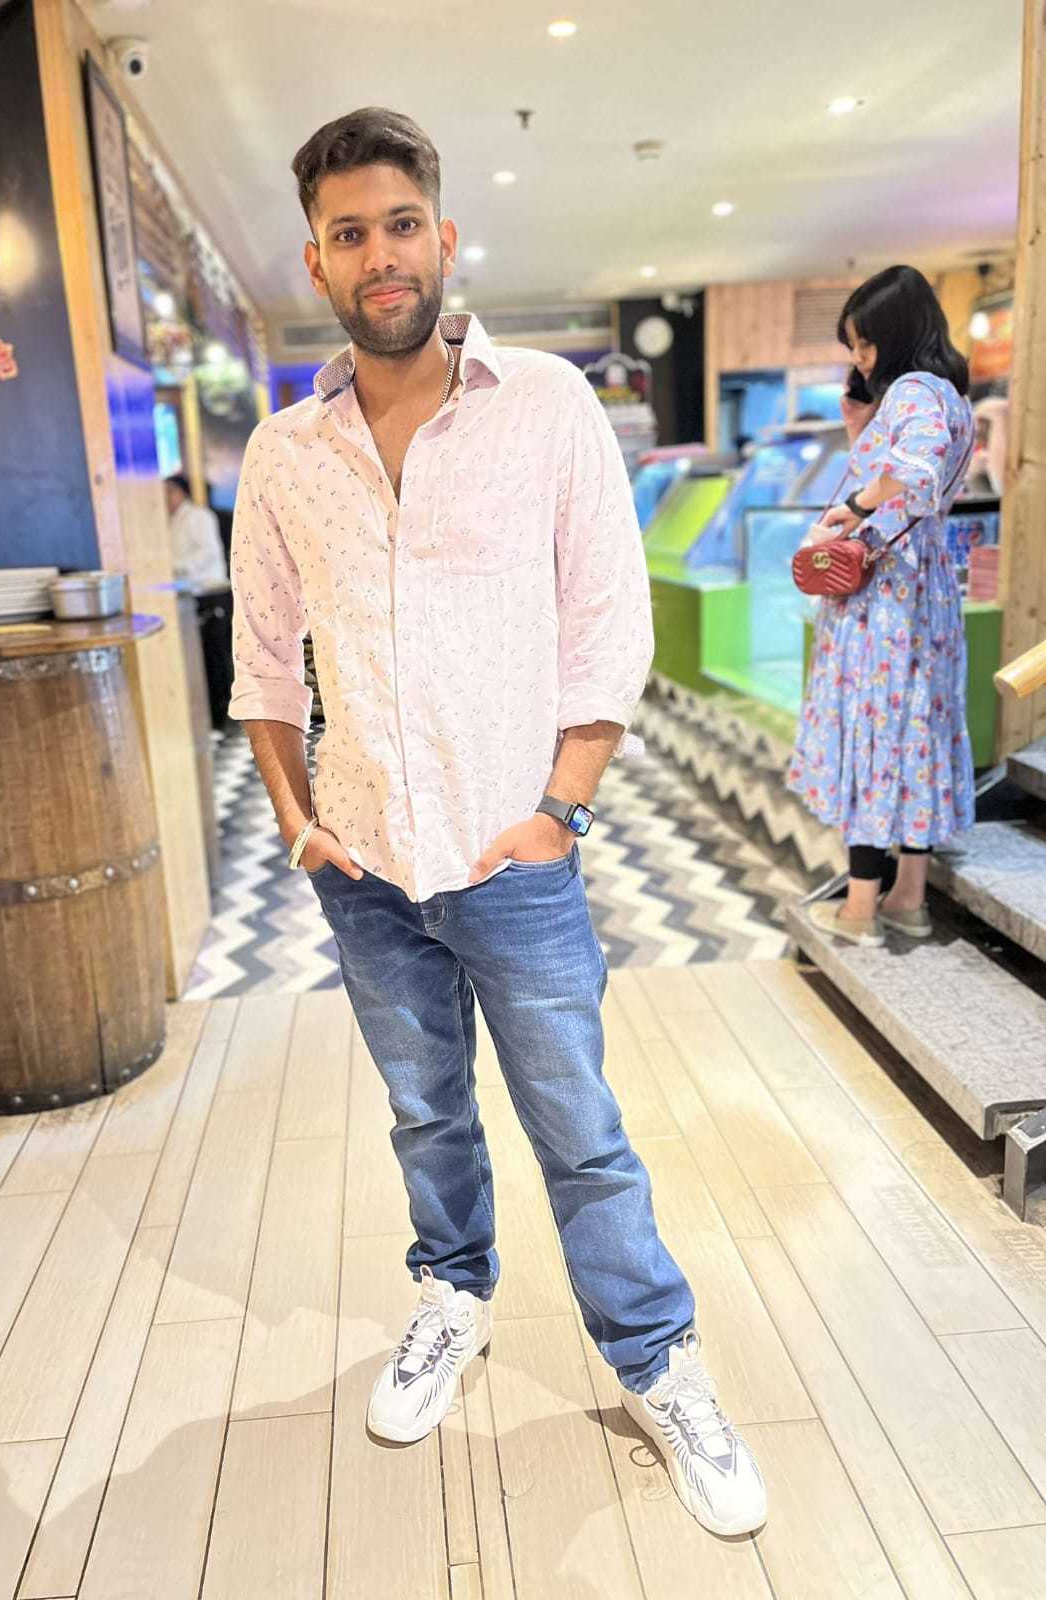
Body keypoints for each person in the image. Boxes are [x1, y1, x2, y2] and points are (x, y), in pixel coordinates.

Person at [228, 107, 766, 1540]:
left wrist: (559, 809)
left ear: (444, 237)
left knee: (579, 1130)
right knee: (425, 1112)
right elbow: (263, 661)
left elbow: (608, 619)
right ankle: (452, 1294)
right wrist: (297, 821)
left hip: (512, 855)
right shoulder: (285, 452)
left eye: (401, 224)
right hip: (362, 861)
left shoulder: (545, 406)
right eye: (350, 233)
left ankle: (659, 1363)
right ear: (317, 260)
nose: (380, 255)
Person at [788, 266, 975, 944]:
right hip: (925, 591)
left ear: (897, 334)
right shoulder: (950, 396)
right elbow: (918, 477)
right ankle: (908, 899)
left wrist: (855, 504)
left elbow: (914, 469)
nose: (861, 358)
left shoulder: (914, 392)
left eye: (865, 343)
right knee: (914, 734)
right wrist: (861, 431)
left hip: (883, 598)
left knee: (872, 735)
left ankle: (860, 908)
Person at [163, 473, 229, 588]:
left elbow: (209, 551)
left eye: (170, 491)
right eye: (163, 492)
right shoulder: (171, 520)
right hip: (185, 585)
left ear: (183, 492)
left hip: (208, 585)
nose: (165, 496)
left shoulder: (198, 515)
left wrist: (179, 566)